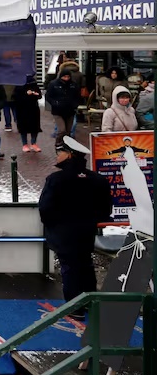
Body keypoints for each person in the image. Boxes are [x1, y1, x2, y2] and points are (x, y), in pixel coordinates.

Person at [38, 136, 113, 319]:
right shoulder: (98, 180)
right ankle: (90, 302)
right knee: (86, 265)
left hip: (63, 233)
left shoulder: (56, 179)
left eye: (59, 152)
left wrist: (55, 224)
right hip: (86, 231)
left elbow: (45, 209)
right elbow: (106, 210)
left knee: (70, 268)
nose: (56, 156)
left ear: (69, 155)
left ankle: (74, 308)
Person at [46, 69, 81, 151]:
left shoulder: (73, 85)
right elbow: (49, 97)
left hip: (70, 111)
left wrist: (75, 105)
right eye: (64, 76)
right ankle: (58, 143)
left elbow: (78, 96)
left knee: (68, 131)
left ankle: (66, 145)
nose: (66, 78)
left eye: (68, 77)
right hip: (58, 111)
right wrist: (55, 103)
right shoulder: (53, 84)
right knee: (62, 130)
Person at [14, 75, 43, 152]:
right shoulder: (19, 87)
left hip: (34, 109)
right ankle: (25, 144)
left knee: (34, 127)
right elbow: (16, 97)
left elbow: (39, 95)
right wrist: (26, 94)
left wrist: (35, 94)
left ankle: (33, 143)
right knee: (23, 127)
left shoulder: (34, 85)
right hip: (22, 110)